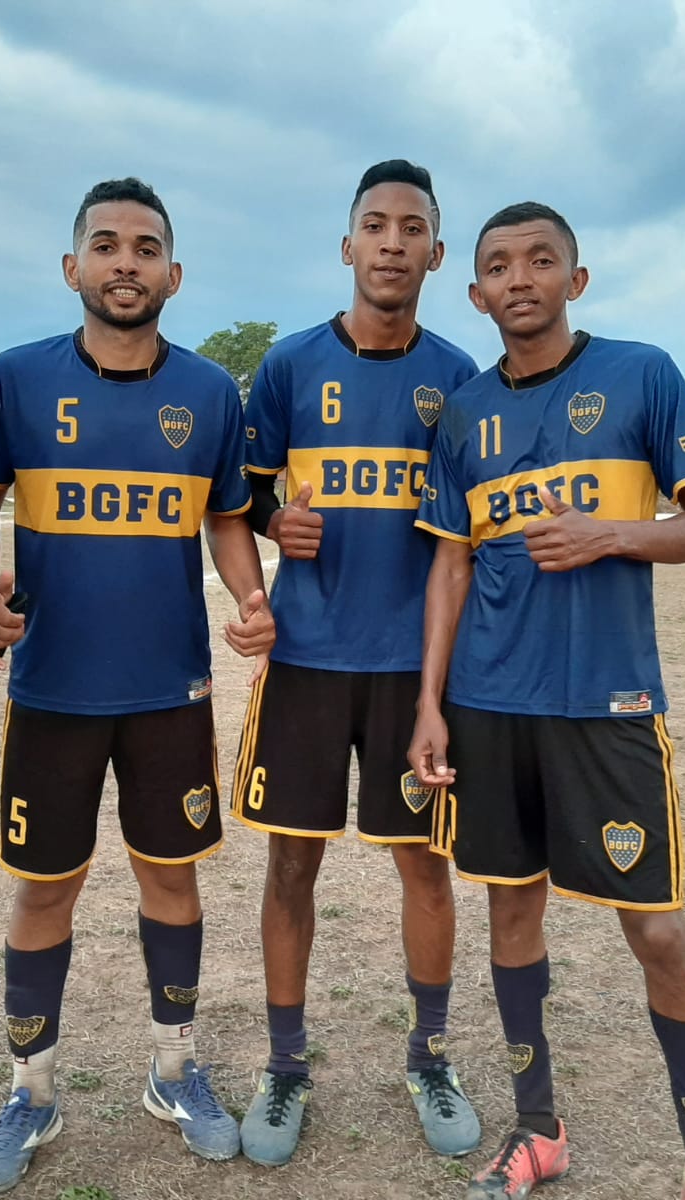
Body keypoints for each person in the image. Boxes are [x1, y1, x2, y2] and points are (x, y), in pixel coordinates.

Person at [407, 202, 685, 1200]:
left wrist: (611, 534)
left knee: (657, 930)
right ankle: (536, 1132)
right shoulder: (464, 413)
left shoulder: (640, 373)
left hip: (607, 703)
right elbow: (448, 570)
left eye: (540, 261)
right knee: (513, 913)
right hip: (487, 706)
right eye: (500, 267)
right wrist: (429, 705)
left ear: (574, 279)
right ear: (475, 294)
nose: (520, 279)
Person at [0, 177, 273, 1193]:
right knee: (45, 887)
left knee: (171, 882)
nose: (125, 262)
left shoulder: (211, 394)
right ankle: (31, 1089)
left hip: (167, 692)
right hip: (52, 690)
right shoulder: (14, 381)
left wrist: (250, 594)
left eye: (145, 248)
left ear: (173, 274)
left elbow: (226, 517)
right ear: (72, 268)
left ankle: (174, 1070)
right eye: (105, 245)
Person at [230, 160, 482, 1166]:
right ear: (346, 246)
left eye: (408, 227)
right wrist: (270, 519)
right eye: (371, 225)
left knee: (423, 864)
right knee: (291, 862)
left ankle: (428, 1056)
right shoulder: (289, 367)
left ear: (433, 252)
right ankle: (285, 1066)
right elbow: (238, 503)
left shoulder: (460, 380)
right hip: (305, 663)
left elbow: (463, 545)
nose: (388, 242)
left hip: (410, 671)